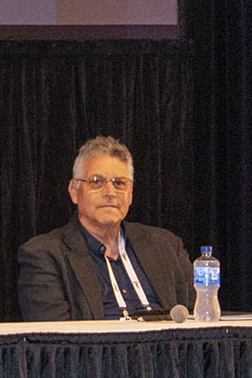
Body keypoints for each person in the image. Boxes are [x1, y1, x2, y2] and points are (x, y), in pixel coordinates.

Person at [17, 135, 194, 320]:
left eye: (119, 183)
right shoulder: (45, 255)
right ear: (74, 191)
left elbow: (199, 322)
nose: (110, 192)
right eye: (96, 181)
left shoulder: (166, 246)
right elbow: (56, 342)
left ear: (130, 193)